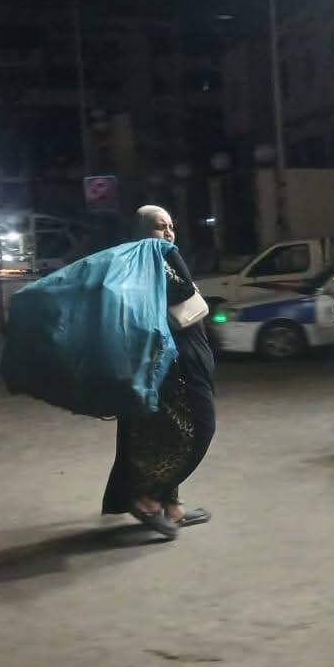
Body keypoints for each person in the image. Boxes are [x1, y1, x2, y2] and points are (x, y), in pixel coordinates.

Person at [101, 205, 217, 541]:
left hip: (186, 361)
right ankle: (146, 498)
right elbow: (183, 291)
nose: (167, 234)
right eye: (158, 227)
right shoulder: (149, 261)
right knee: (200, 429)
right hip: (173, 367)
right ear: (141, 232)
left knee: (170, 435)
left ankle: (171, 506)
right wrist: (168, 250)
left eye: (171, 227)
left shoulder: (154, 260)